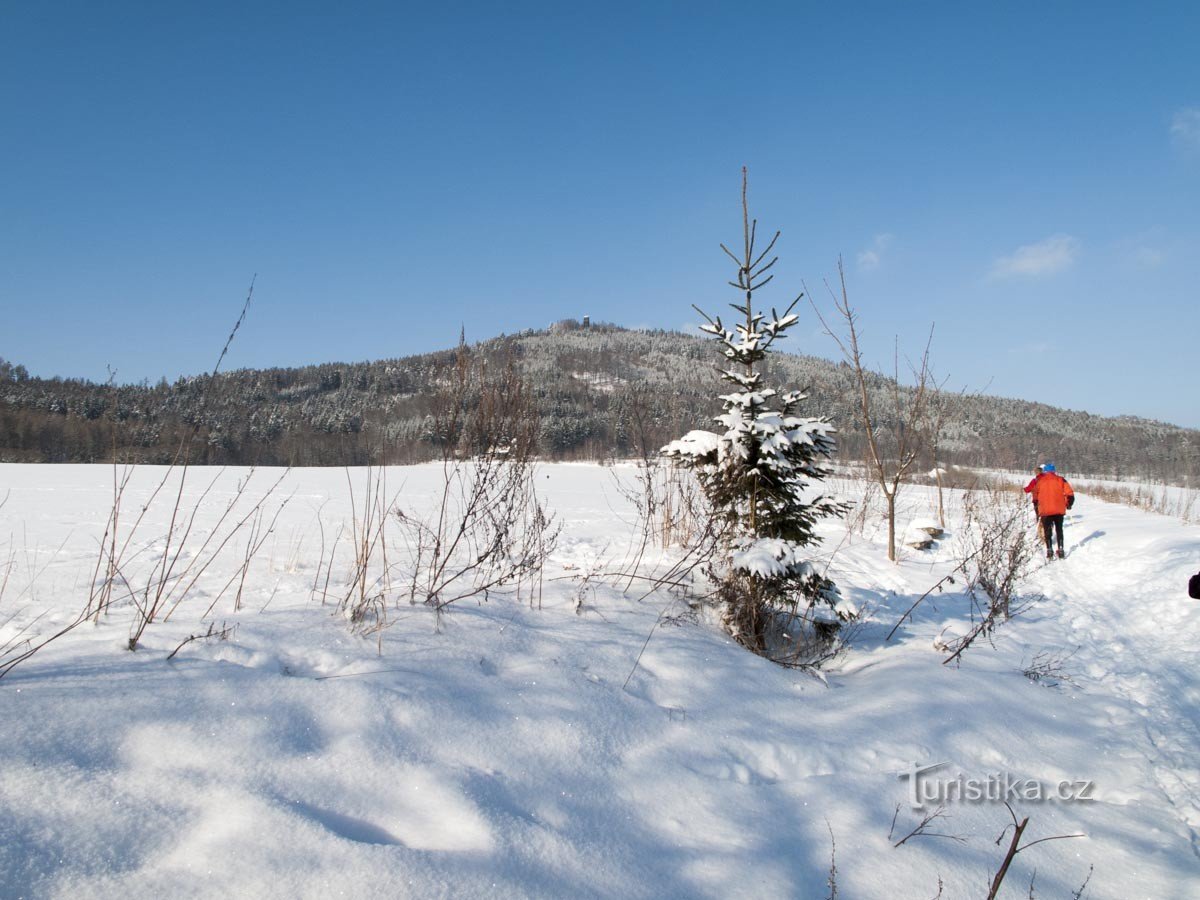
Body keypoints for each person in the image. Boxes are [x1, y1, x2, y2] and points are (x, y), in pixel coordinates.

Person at [1033, 463, 1074, 560]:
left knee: (1047, 531)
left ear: (1045, 471)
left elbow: (1035, 496)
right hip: (1059, 510)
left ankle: (1049, 550)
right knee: (1059, 530)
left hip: (1045, 510)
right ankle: (1060, 550)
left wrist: (1037, 508)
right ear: (1054, 471)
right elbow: (1070, 494)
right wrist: (1068, 505)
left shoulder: (1039, 481)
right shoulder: (1061, 480)